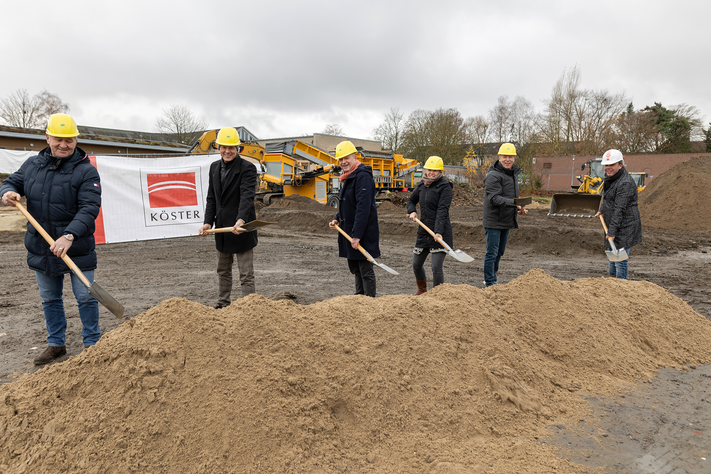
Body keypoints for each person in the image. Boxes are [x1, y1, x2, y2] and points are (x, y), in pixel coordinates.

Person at [0, 113, 102, 365]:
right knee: (50, 299)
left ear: (76, 140)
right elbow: (11, 181)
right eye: (58, 139)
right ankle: (56, 343)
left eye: (69, 140)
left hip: (76, 246)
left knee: (87, 296)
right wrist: (7, 192)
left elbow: (89, 208)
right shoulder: (33, 164)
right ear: (47, 137)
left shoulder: (86, 171)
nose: (64, 145)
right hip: (42, 247)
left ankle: (92, 344)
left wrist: (69, 235)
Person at [199, 127, 258, 307]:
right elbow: (211, 198)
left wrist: (241, 220)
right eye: (224, 147)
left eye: (231, 147)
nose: (227, 151)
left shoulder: (247, 168)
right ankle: (223, 303)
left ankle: (249, 306)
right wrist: (208, 222)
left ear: (237, 148)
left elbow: (247, 197)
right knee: (223, 270)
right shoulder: (214, 167)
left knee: (245, 273)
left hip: (241, 228)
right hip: (222, 228)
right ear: (218, 147)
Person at [329, 140, 380, 297]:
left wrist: (357, 235)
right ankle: (359, 298)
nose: (343, 162)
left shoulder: (362, 177)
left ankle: (369, 300)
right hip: (349, 229)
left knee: (365, 268)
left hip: (362, 231)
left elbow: (363, 208)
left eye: (346, 158)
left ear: (354, 157)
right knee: (356, 268)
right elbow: (348, 204)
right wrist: (338, 218)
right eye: (340, 159)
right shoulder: (348, 177)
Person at [482, 143, 528, 287]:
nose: (507, 159)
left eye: (510, 157)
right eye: (504, 156)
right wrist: (515, 203)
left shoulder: (512, 174)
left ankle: (492, 278)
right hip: (493, 220)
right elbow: (495, 198)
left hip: (506, 219)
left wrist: (520, 209)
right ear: (499, 157)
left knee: (500, 252)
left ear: (514, 157)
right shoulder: (493, 175)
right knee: (492, 252)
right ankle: (489, 282)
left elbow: (510, 197)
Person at [406, 156, 453, 295]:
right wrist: (412, 211)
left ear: (440, 171)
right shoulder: (421, 186)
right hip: (423, 232)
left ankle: (437, 295)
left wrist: (438, 231)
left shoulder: (445, 187)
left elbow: (442, 210)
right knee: (416, 264)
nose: (431, 172)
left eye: (435, 170)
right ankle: (422, 289)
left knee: (436, 267)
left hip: (440, 232)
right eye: (429, 169)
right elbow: (411, 201)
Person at [594, 149, 642, 279]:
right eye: (606, 165)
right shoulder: (610, 179)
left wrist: (612, 232)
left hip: (625, 225)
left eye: (612, 165)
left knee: (620, 261)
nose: (608, 168)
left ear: (620, 165)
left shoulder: (625, 183)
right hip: (612, 223)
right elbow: (608, 198)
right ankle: (611, 283)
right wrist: (602, 209)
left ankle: (620, 287)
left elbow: (619, 209)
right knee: (611, 256)